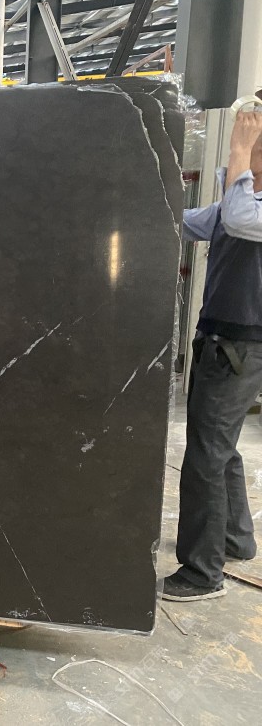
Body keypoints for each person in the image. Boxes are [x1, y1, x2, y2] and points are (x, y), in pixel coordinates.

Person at [164, 110, 262, 602]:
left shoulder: (249, 209)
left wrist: (238, 152)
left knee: (205, 455)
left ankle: (202, 573)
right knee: (220, 446)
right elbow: (187, 223)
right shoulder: (241, 202)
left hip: (242, 346)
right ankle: (235, 540)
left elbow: (240, 221)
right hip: (221, 340)